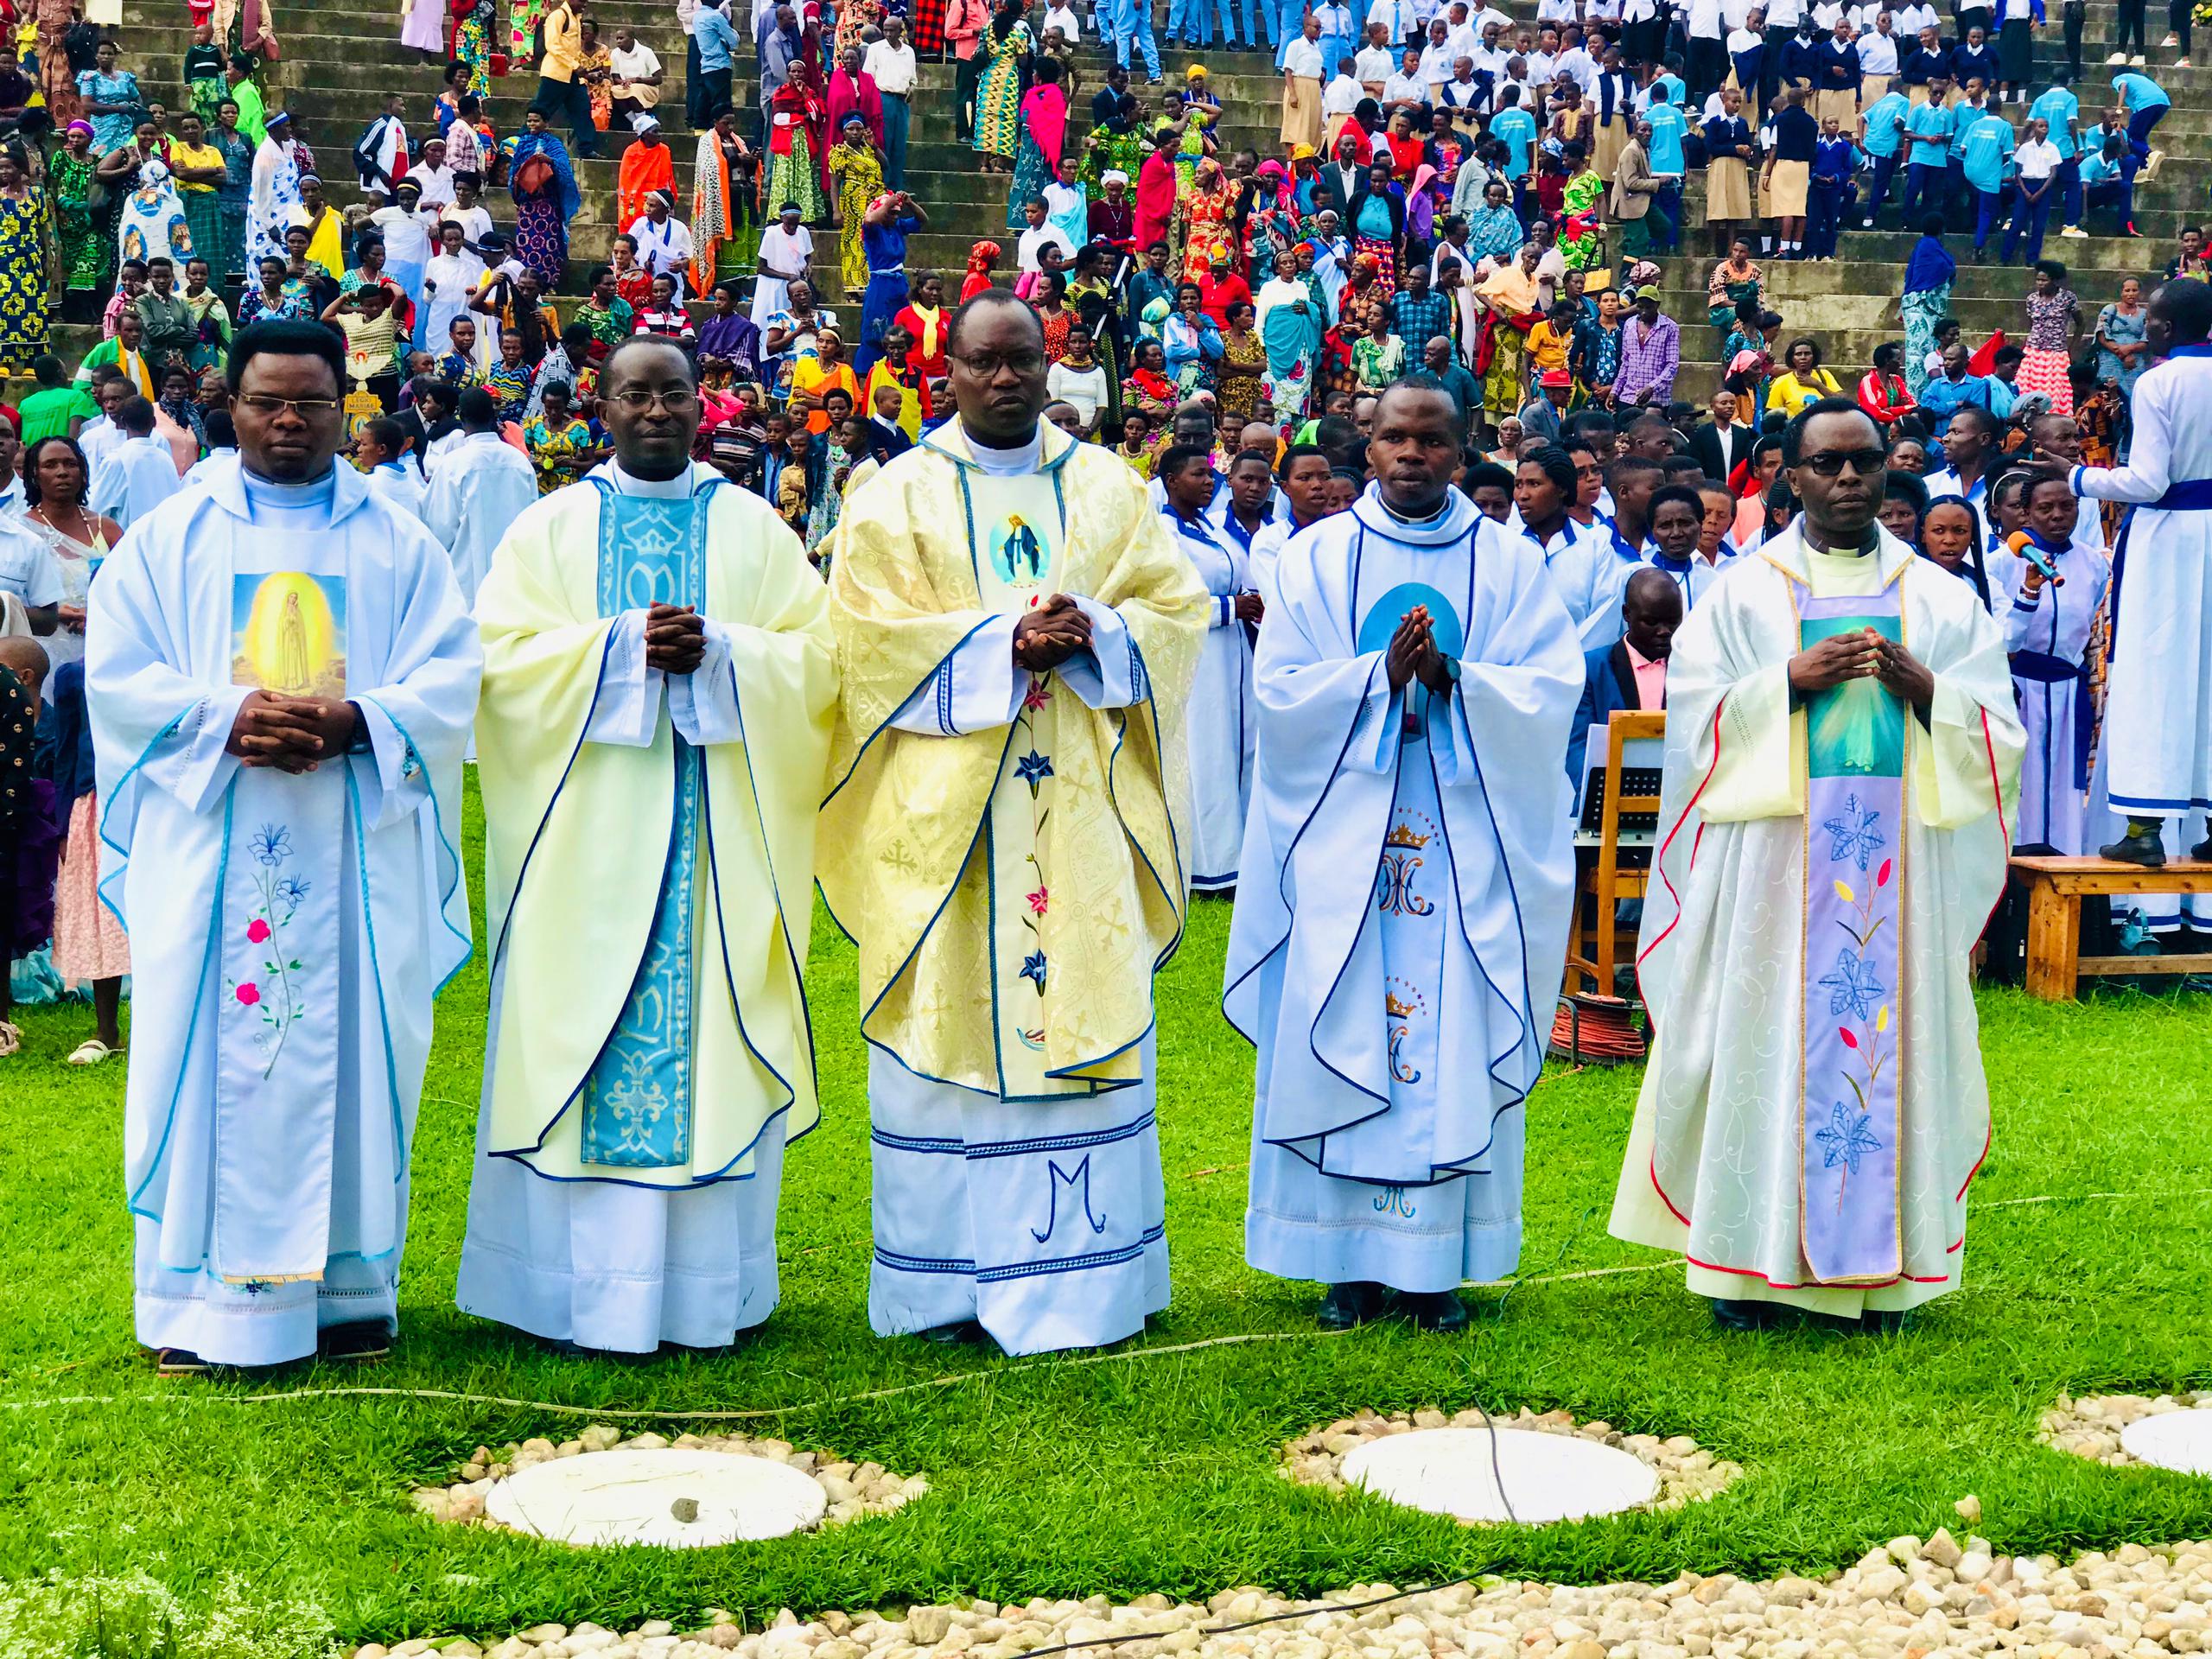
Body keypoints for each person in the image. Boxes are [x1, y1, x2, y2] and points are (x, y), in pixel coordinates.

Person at [85, 320, 481, 1374]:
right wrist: (224, 718)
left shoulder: (397, 539)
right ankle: (200, 1307)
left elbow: (452, 677)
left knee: (359, 1045)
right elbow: (120, 679)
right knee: (207, 1047)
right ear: (233, 404)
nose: (290, 421)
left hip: (353, 840)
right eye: (268, 401)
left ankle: (349, 1292)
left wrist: (360, 723)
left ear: (344, 406)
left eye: (312, 402)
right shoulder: (173, 538)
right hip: (216, 845)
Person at [817, 290, 1206, 1356]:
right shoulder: (893, 497)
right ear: (947, 373)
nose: (1003, 380)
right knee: (944, 1022)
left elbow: (1178, 612)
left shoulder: (1108, 489)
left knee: (1077, 1002)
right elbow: (858, 640)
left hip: (1075, 809)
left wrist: (1100, 633)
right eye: (982, 364)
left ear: (1050, 366)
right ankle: (943, 1290)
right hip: (949, 826)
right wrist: (1001, 645)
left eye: (1021, 362)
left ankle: (1086, 1288)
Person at [1609, 397, 2023, 1332]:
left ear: (1885, 473)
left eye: (1864, 463)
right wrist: (1784, 684)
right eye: (1826, 464)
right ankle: (1748, 1269)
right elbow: (1693, 728)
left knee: (1884, 1054)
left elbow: (1999, 740)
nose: (1846, 480)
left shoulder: (1941, 599)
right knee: (1764, 1048)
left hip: (1897, 878)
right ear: (1787, 476)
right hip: (1774, 873)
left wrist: (1927, 690)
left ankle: (1888, 1273)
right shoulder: (1744, 592)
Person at [455, 334, 833, 1356]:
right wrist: (619, 649)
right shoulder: (550, 530)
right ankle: (569, 1294)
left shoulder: (755, 529)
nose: (657, 411)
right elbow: (495, 665)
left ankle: (711, 1291)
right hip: (581, 845)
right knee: (581, 1032)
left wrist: (723, 652)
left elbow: (821, 663)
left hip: (717, 846)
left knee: (708, 1036)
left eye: (674, 394)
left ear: (701, 404)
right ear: (602, 409)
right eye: (635, 396)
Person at [1225, 378, 1581, 1332]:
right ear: (1367, 448)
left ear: (1462, 454)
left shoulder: (1507, 564)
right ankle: (1340, 1262)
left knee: (1448, 1032)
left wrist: (1455, 680)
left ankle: (1435, 1270)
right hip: (1346, 836)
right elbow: (1281, 695)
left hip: (1463, 833)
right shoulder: (1313, 560)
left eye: (1432, 441)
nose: (1412, 455)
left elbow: (1550, 691)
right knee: (1340, 1017)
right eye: (1393, 438)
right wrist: (1375, 680)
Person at [2060, 280, 2212, 868]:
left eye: (2150, 318)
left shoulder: (2158, 382)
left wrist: (2077, 476)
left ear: (2167, 329)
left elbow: (2147, 482)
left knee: (2156, 668)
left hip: (2171, 538)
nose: (2144, 326)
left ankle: (2144, 829)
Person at [1158, 445, 1258, 893]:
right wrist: (1230, 606)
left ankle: (1242, 856)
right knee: (1208, 753)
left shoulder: (1209, 527)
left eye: (1210, 474)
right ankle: (1207, 864)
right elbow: (1163, 604)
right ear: (1170, 480)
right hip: (1198, 655)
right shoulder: (1162, 531)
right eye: (1198, 474)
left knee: (1240, 748)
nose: (1208, 481)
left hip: (1233, 650)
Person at [1992, 468, 2107, 855]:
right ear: (2025, 513)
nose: (2058, 516)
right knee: (2021, 782)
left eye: (2067, 506)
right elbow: (2005, 636)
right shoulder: (2001, 565)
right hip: (2020, 686)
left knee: (2065, 787)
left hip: (2067, 687)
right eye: (2045, 508)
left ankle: (2067, 871)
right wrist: (2028, 593)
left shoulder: (2094, 564)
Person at [1565, 564, 1680, 786]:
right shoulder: (1591, 668)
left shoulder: (1692, 666)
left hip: (1676, 799)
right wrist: (1599, 788)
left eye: (1673, 621)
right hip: (1608, 795)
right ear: (1627, 614)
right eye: (1652, 622)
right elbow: (1577, 745)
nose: (1664, 631)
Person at [423, 385, 540, 604]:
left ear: (462, 416)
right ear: (492, 415)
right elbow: (531, 519)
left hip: (467, 582)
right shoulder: (519, 461)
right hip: (514, 580)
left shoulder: (453, 465)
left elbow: (439, 528)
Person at [87, 397, 181, 530]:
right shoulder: (165, 458)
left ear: (123, 422)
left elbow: (97, 507)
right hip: (164, 537)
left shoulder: (117, 460)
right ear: (154, 423)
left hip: (127, 539)